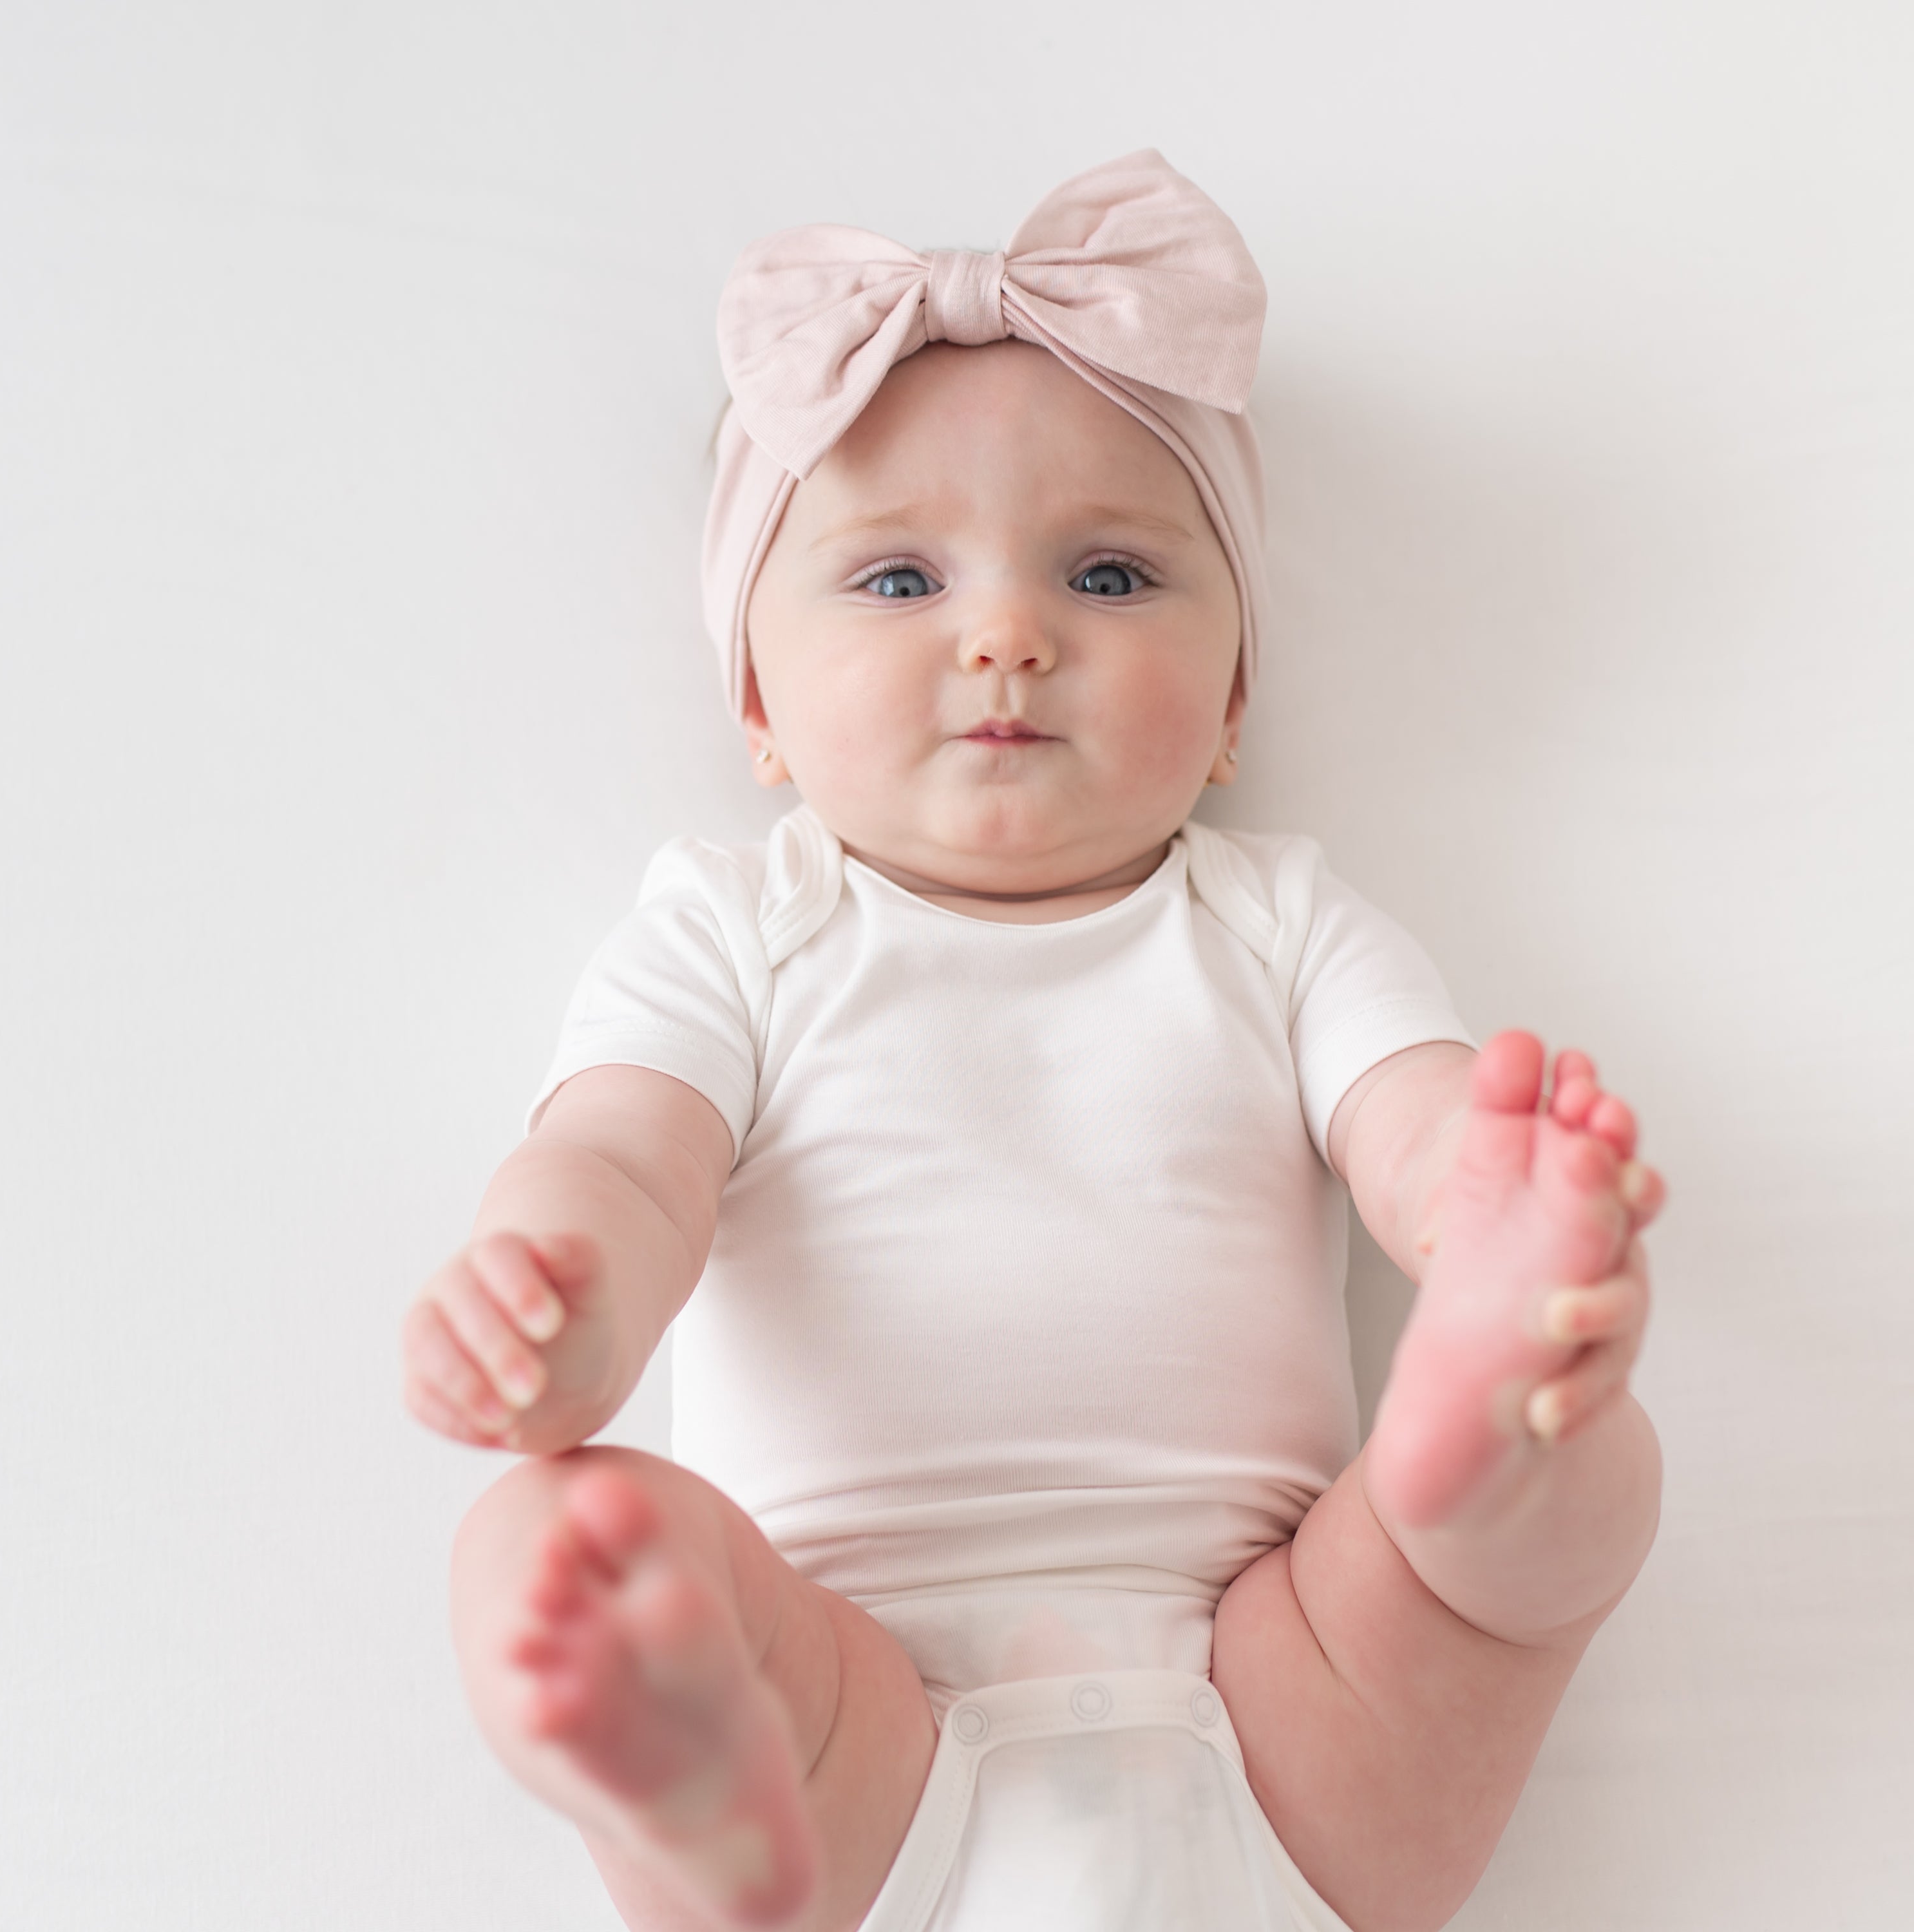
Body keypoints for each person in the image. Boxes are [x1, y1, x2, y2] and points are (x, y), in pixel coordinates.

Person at [402, 151, 1664, 1932]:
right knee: (555, 1532)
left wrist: (1500, 1227)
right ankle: (667, 1721)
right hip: (852, 1734)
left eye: (1113, 577)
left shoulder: (1275, 920)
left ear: (1234, 704)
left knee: (1546, 1502)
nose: (1009, 635)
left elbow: (1411, 1123)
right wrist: (563, 1304)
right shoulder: (731, 929)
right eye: (900, 581)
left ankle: (1494, 1430)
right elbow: (623, 1157)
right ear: (757, 705)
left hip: (1286, 1707)